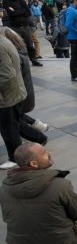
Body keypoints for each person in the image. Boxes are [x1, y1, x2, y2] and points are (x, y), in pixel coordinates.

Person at [0, 142, 77, 244]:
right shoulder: (61, 185)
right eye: (44, 153)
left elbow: (7, 217)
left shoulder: (4, 188)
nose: (49, 154)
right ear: (34, 164)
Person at [0, 34, 27, 169]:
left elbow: (6, 75)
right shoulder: (3, 40)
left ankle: (15, 157)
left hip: (7, 97)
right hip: (13, 93)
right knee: (12, 127)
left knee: (9, 130)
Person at [3, 0, 42, 66]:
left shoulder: (22, 1)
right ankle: (20, 62)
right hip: (14, 27)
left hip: (25, 26)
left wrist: (16, 11)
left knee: (30, 44)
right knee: (17, 45)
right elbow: (11, 14)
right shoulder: (6, 1)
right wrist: (21, 11)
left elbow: (28, 12)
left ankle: (34, 59)